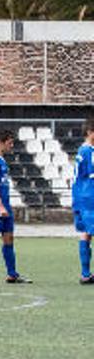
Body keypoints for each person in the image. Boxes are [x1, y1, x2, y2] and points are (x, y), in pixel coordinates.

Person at [0, 130, 28, 283]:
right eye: (9, 142)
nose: (12, 145)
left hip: (4, 206)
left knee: (8, 238)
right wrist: (0, 207)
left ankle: (12, 274)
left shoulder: (1, 161)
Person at [72, 117, 94, 284]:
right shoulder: (86, 151)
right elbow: (80, 177)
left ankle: (86, 274)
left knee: (86, 233)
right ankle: (85, 274)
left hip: (86, 196)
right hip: (89, 196)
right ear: (89, 132)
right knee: (87, 233)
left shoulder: (87, 151)